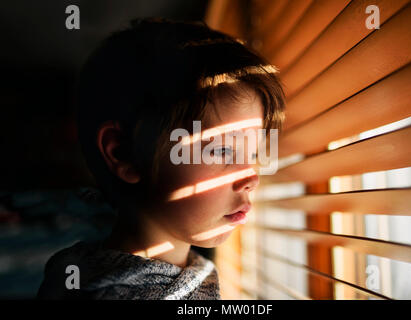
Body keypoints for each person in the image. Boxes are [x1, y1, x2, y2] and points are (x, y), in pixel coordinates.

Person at [37, 17, 285, 300]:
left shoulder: (183, 268)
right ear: (124, 153)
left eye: (253, 154)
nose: (251, 177)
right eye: (223, 150)